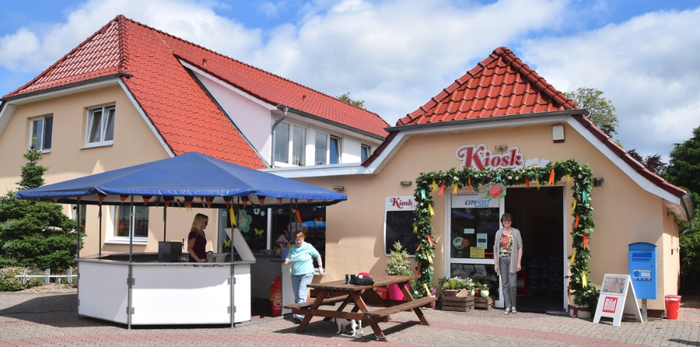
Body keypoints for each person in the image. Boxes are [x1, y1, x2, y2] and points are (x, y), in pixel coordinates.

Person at [284, 229, 324, 323]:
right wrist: (287, 260)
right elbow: (288, 257)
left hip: (307, 273)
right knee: (297, 296)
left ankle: (300, 316)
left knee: (302, 294)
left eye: (300, 239)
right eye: (296, 240)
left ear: (303, 238)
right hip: (295, 274)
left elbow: (318, 255)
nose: (298, 242)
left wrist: (320, 267)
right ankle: (302, 313)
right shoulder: (293, 247)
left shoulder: (308, 246)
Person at [493, 213, 522, 315]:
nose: (506, 222)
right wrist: (496, 264)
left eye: (508, 220)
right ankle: (507, 306)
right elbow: (495, 248)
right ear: (502, 222)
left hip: (512, 260)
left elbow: (520, 247)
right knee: (504, 284)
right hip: (502, 260)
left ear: (511, 221)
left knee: (512, 284)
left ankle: (514, 305)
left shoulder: (516, 232)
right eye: (504, 220)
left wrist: (518, 262)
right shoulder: (498, 233)